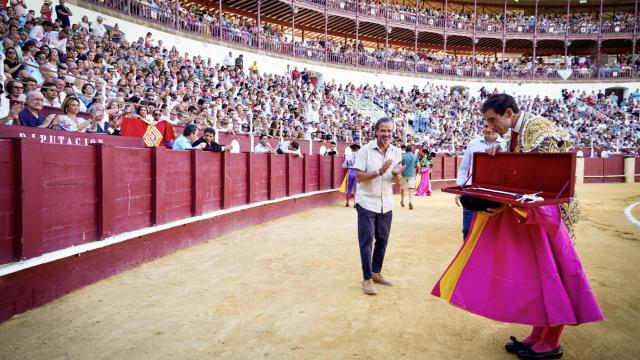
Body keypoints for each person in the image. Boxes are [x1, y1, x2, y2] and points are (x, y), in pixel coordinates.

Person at [432, 94, 604, 360]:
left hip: (551, 219)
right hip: (533, 216)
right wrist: (499, 156)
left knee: (553, 273)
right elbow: (518, 173)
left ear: (508, 112)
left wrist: (508, 204)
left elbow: (546, 183)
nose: (490, 126)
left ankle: (552, 341)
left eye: (493, 119)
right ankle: (538, 335)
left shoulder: (541, 132)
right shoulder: (516, 133)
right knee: (538, 274)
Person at [353, 117, 403, 295]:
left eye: (389, 131)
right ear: (376, 131)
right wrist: (379, 171)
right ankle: (367, 279)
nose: (386, 134)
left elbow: (398, 182)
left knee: (382, 239)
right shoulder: (365, 150)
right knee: (366, 242)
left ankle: (376, 273)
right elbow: (358, 177)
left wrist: (396, 174)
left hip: (386, 203)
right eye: (383, 130)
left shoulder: (396, 152)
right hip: (366, 201)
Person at [454, 122, 505, 240]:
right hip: (472, 192)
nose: (489, 130)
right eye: (486, 126)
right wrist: (461, 188)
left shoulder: (505, 144)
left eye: (492, 126)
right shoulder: (473, 144)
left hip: (494, 193)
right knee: (468, 230)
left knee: (492, 232)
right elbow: (464, 168)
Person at [400, 145, 418, 210]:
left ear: (406, 150)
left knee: (402, 188)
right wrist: (414, 167)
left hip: (403, 174)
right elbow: (418, 166)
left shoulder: (403, 156)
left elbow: (400, 166)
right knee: (411, 189)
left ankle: (402, 200)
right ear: (411, 150)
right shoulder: (415, 156)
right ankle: (410, 201)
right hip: (412, 174)